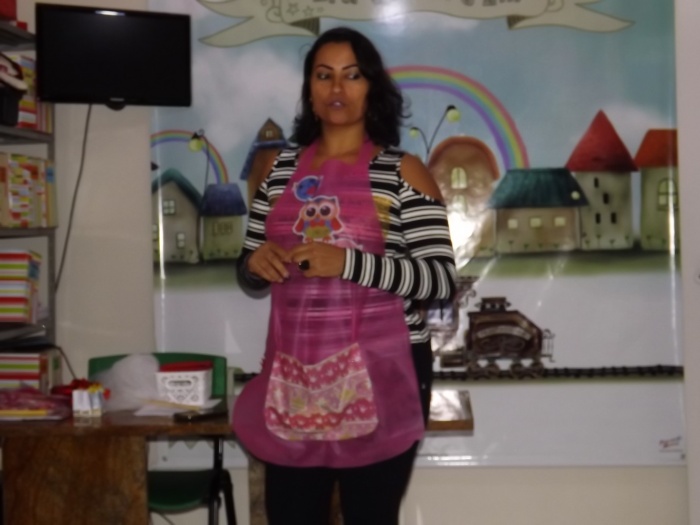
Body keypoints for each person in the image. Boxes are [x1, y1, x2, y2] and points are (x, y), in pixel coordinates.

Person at [233, 26, 457, 525]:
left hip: (385, 371)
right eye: (324, 76)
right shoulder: (279, 171)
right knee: (291, 514)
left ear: (372, 88)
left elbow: (440, 280)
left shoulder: (402, 172)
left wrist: (347, 263)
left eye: (352, 76)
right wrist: (254, 264)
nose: (337, 88)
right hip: (294, 374)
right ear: (309, 91)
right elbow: (248, 269)